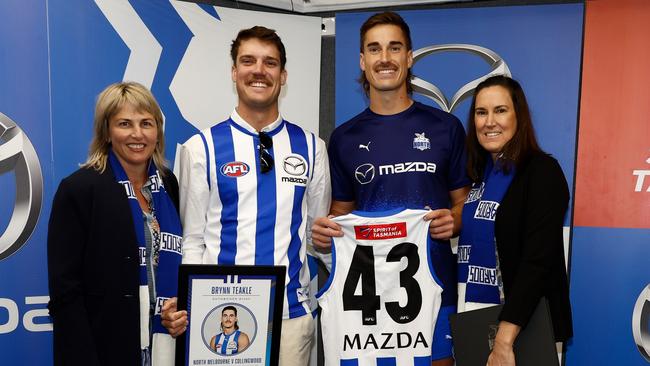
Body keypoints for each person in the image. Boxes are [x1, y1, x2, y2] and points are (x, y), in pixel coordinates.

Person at [161, 26, 330, 366]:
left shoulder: (312, 147)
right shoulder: (201, 148)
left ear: (282, 76)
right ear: (234, 72)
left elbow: (318, 236)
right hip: (217, 313)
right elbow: (193, 239)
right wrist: (190, 302)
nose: (259, 70)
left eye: (270, 63)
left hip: (290, 317)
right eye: (248, 61)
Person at [311, 11, 470, 366]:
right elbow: (341, 212)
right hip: (366, 300)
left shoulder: (445, 127)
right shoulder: (344, 138)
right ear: (362, 60)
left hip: (434, 290)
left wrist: (455, 221)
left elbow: (463, 204)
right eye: (375, 49)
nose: (385, 58)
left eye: (394, 48)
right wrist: (324, 230)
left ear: (409, 57)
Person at [47, 82, 182, 366]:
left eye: (147, 123)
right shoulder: (80, 189)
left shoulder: (168, 184)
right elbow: (66, 292)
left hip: (167, 348)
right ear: (106, 132)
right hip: (105, 349)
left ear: (158, 131)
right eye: (124, 123)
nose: (137, 134)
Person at [457, 75, 572, 365]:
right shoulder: (479, 177)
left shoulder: (543, 172)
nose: (489, 121)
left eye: (500, 110)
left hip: (526, 328)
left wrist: (504, 338)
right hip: (476, 318)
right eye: (481, 113)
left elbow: (538, 261)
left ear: (518, 115)